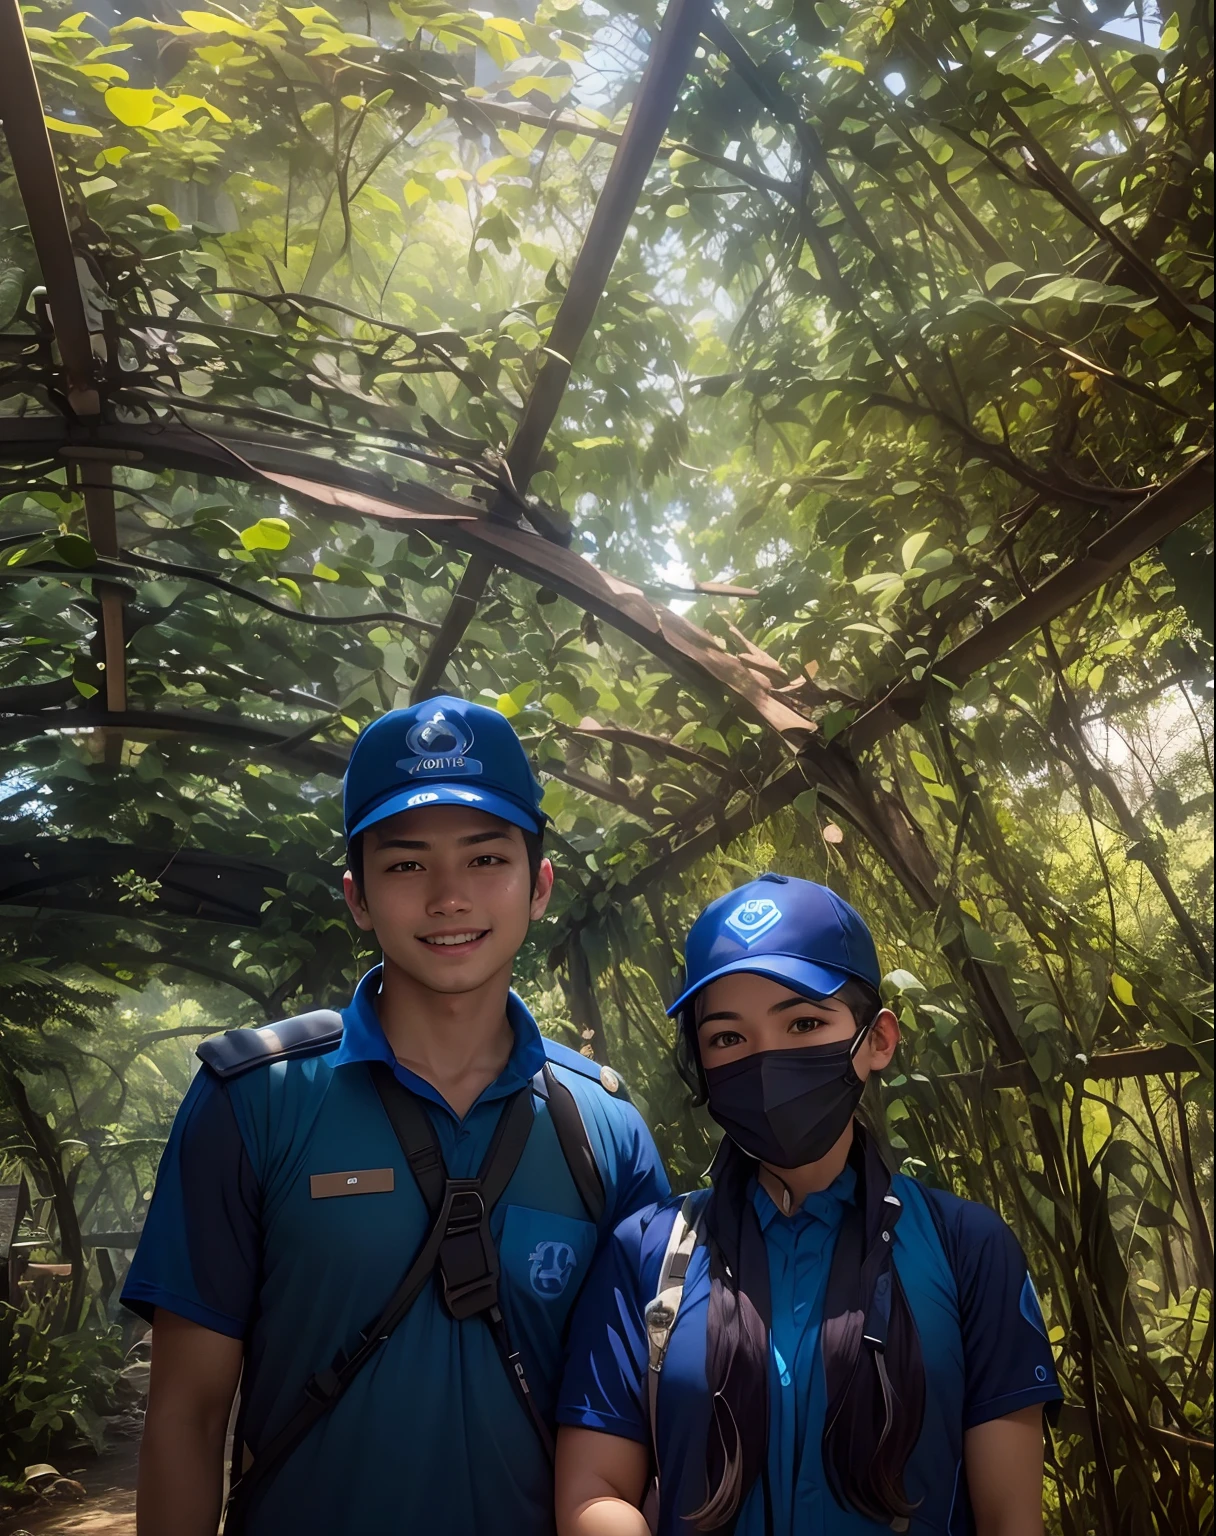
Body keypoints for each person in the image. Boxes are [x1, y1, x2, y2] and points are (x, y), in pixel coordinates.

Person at [122, 694, 669, 1536]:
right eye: (408, 865)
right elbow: (186, 1417)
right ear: (358, 896)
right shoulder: (256, 1102)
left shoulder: (603, 1128)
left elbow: (642, 1422)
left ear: (539, 885)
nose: (450, 897)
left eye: (487, 858)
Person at [555, 873, 1062, 1536]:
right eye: (728, 1038)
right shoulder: (645, 1253)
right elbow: (593, 1491)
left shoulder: (968, 1248)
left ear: (878, 1040)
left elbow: (1009, 1517)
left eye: (803, 1022)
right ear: (700, 1064)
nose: (767, 1061)